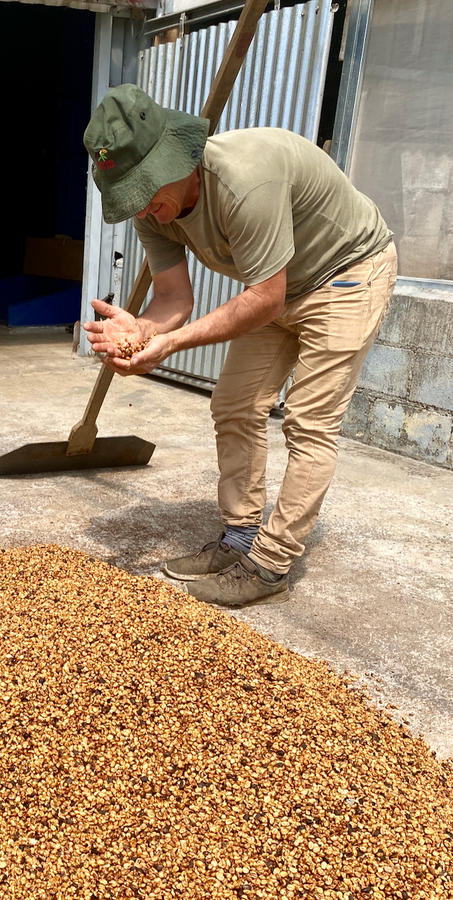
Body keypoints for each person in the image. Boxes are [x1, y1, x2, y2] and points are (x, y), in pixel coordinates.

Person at [82, 84, 397, 608]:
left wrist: (171, 344)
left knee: (309, 421)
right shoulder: (151, 210)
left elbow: (265, 299)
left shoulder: (246, 181)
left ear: (176, 160)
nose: (149, 211)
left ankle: (270, 565)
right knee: (233, 403)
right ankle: (241, 539)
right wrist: (140, 333)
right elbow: (172, 299)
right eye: (132, 196)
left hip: (347, 273)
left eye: (147, 190)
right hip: (277, 286)